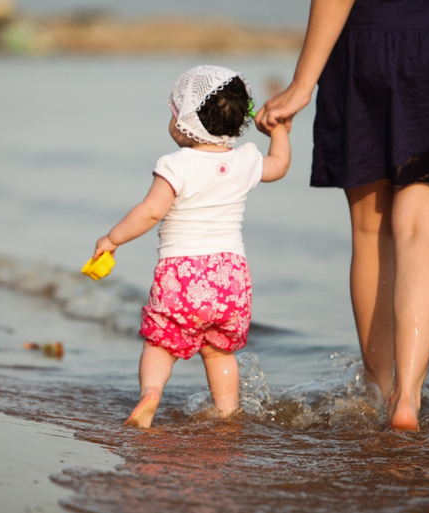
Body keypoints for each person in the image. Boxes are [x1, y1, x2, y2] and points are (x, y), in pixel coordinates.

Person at [255, 0, 429, 431]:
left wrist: (302, 83)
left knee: (371, 231)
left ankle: (377, 390)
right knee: (423, 231)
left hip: (370, 40)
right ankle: (406, 398)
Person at [92, 64, 291, 428]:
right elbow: (278, 165)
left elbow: (150, 212)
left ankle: (151, 393)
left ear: (186, 121)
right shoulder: (245, 160)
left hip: (182, 275)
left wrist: (112, 239)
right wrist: (278, 131)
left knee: (159, 344)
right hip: (231, 278)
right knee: (218, 352)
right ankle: (227, 413)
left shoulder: (176, 165)